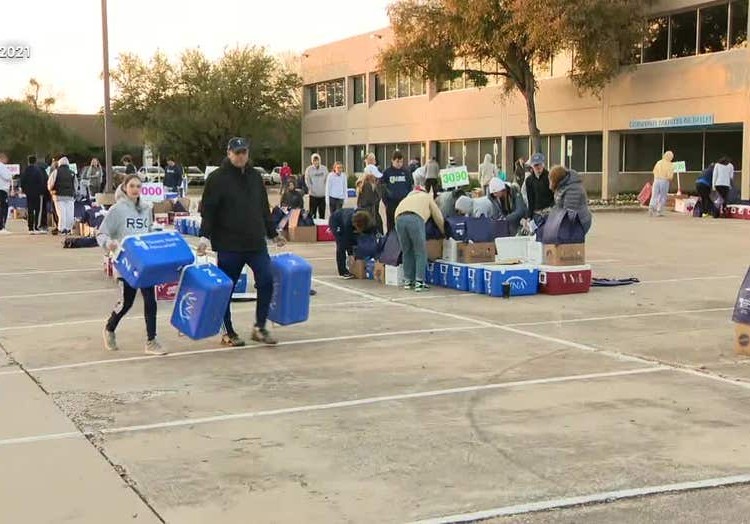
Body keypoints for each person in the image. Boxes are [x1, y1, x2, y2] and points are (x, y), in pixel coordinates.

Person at [197, 137, 286, 347]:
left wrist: (273, 233)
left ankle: (260, 327)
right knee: (226, 288)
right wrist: (204, 237)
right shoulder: (217, 178)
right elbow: (208, 210)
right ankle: (228, 331)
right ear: (229, 153)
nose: (240, 156)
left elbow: (263, 208)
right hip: (229, 244)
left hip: (255, 242)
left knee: (266, 280)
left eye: (244, 152)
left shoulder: (255, 177)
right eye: (237, 153)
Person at [97, 174, 167, 355]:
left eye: (138, 186)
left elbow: (149, 230)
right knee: (127, 302)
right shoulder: (117, 210)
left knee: (150, 300)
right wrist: (109, 244)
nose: (136, 189)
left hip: (144, 263)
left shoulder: (146, 209)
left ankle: (151, 341)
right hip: (126, 263)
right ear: (125, 187)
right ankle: (110, 328)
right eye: (132, 186)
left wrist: (158, 235)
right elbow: (102, 233)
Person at [394, 187, 445, 292]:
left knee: (407, 251)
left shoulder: (407, 198)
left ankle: (408, 281)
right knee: (420, 251)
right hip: (415, 218)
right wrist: (444, 232)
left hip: (398, 219)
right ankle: (419, 282)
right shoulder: (427, 197)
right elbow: (438, 216)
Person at [463, 178, 527, 235]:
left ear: (502, 189)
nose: (494, 195)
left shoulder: (514, 192)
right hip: (506, 225)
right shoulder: (495, 198)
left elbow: (520, 210)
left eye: (496, 193)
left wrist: (506, 218)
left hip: (521, 222)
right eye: (493, 193)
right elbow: (496, 213)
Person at [329, 208, 377, 279]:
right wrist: (351, 254)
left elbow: (374, 235)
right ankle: (342, 271)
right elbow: (347, 239)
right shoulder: (348, 223)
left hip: (352, 221)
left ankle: (356, 265)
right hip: (337, 221)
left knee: (356, 242)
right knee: (341, 245)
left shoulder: (370, 221)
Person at [549, 165, 592, 234]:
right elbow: (559, 205)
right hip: (572, 221)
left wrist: (555, 224)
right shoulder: (563, 185)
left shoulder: (573, 189)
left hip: (580, 222)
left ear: (557, 179)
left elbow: (569, 214)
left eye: (552, 180)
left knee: (569, 242)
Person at [380, 150, 414, 232]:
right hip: (391, 203)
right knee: (391, 225)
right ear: (392, 160)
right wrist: (386, 201)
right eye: (397, 161)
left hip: (403, 202)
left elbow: (410, 185)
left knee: (403, 223)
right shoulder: (387, 172)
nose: (399, 164)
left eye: (401, 162)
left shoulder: (406, 172)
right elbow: (382, 187)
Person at [47, 156, 76, 235]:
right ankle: (69, 228)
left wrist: (51, 190)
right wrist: (74, 192)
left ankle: (62, 228)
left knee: (61, 213)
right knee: (69, 213)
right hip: (70, 196)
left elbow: (50, 183)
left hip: (58, 196)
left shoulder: (56, 172)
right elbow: (75, 185)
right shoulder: (72, 173)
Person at [20, 156, 47, 234]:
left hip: (29, 193)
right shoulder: (38, 171)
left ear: (28, 162)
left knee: (30, 210)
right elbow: (41, 181)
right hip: (37, 193)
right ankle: (36, 227)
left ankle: (30, 227)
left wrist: (24, 190)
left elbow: (22, 181)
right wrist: (41, 191)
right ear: (35, 162)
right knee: (38, 210)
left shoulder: (25, 170)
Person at [524, 152, 554, 219]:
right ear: (532, 166)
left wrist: (551, 207)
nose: (538, 167)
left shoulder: (550, 176)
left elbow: (556, 195)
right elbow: (530, 200)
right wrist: (529, 216)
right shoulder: (529, 180)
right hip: (536, 213)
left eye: (540, 164)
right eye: (535, 165)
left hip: (549, 212)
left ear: (543, 164)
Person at [649, 151, 674, 217]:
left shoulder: (658, 162)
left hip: (656, 180)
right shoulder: (670, 164)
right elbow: (670, 176)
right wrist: (669, 178)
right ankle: (659, 211)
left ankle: (651, 207)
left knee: (654, 195)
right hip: (664, 181)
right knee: (663, 196)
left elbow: (654, 171)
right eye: (671, 157)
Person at [305, 153, 328, 219]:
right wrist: (311, 189)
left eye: (317, 160)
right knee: (312, 214)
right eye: (314, 160)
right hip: (313, 195)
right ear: (312, 161)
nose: (316, 162)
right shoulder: (309, 169)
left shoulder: (324, 169)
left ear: (319, 160)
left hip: (322, 195)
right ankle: (313, 228)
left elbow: (327, 180)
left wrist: (325, 189)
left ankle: (321, 228)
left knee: (322, 214)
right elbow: (307, 181)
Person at [0, 152, 12, 235]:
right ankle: (2, 226)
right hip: (2, 189)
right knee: (3, 208)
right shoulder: (2, 166)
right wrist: (11, 176)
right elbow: (7, 176)